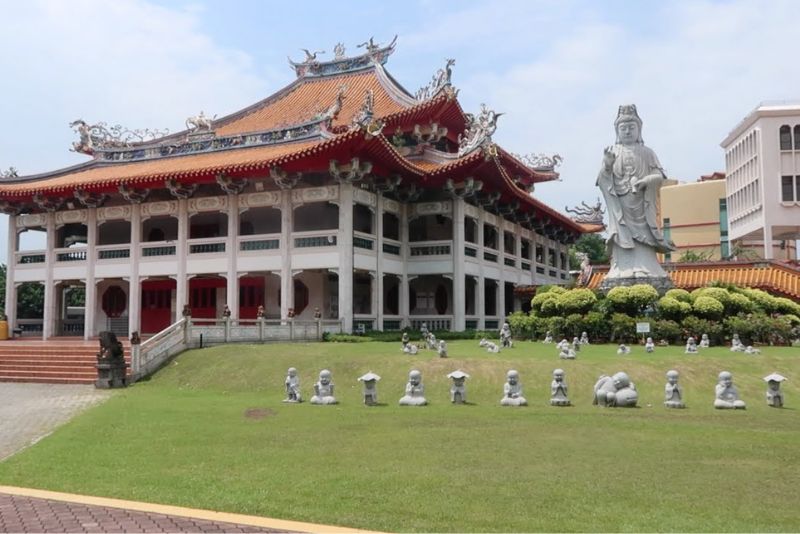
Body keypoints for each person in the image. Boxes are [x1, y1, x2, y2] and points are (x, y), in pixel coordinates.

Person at [597, 105, 674, 279]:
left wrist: (646, 181)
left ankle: (647, 266)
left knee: (645, 234)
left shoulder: (647, 153)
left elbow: (659, 175)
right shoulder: (613, 152)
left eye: (632, 127)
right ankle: (622, 267)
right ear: (617, 131)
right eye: (623, 128)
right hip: (621, 204)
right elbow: (602, 179)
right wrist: (608, 165)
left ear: (639, 129)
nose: (627, 131)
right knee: (621, 230)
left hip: (642, 203)